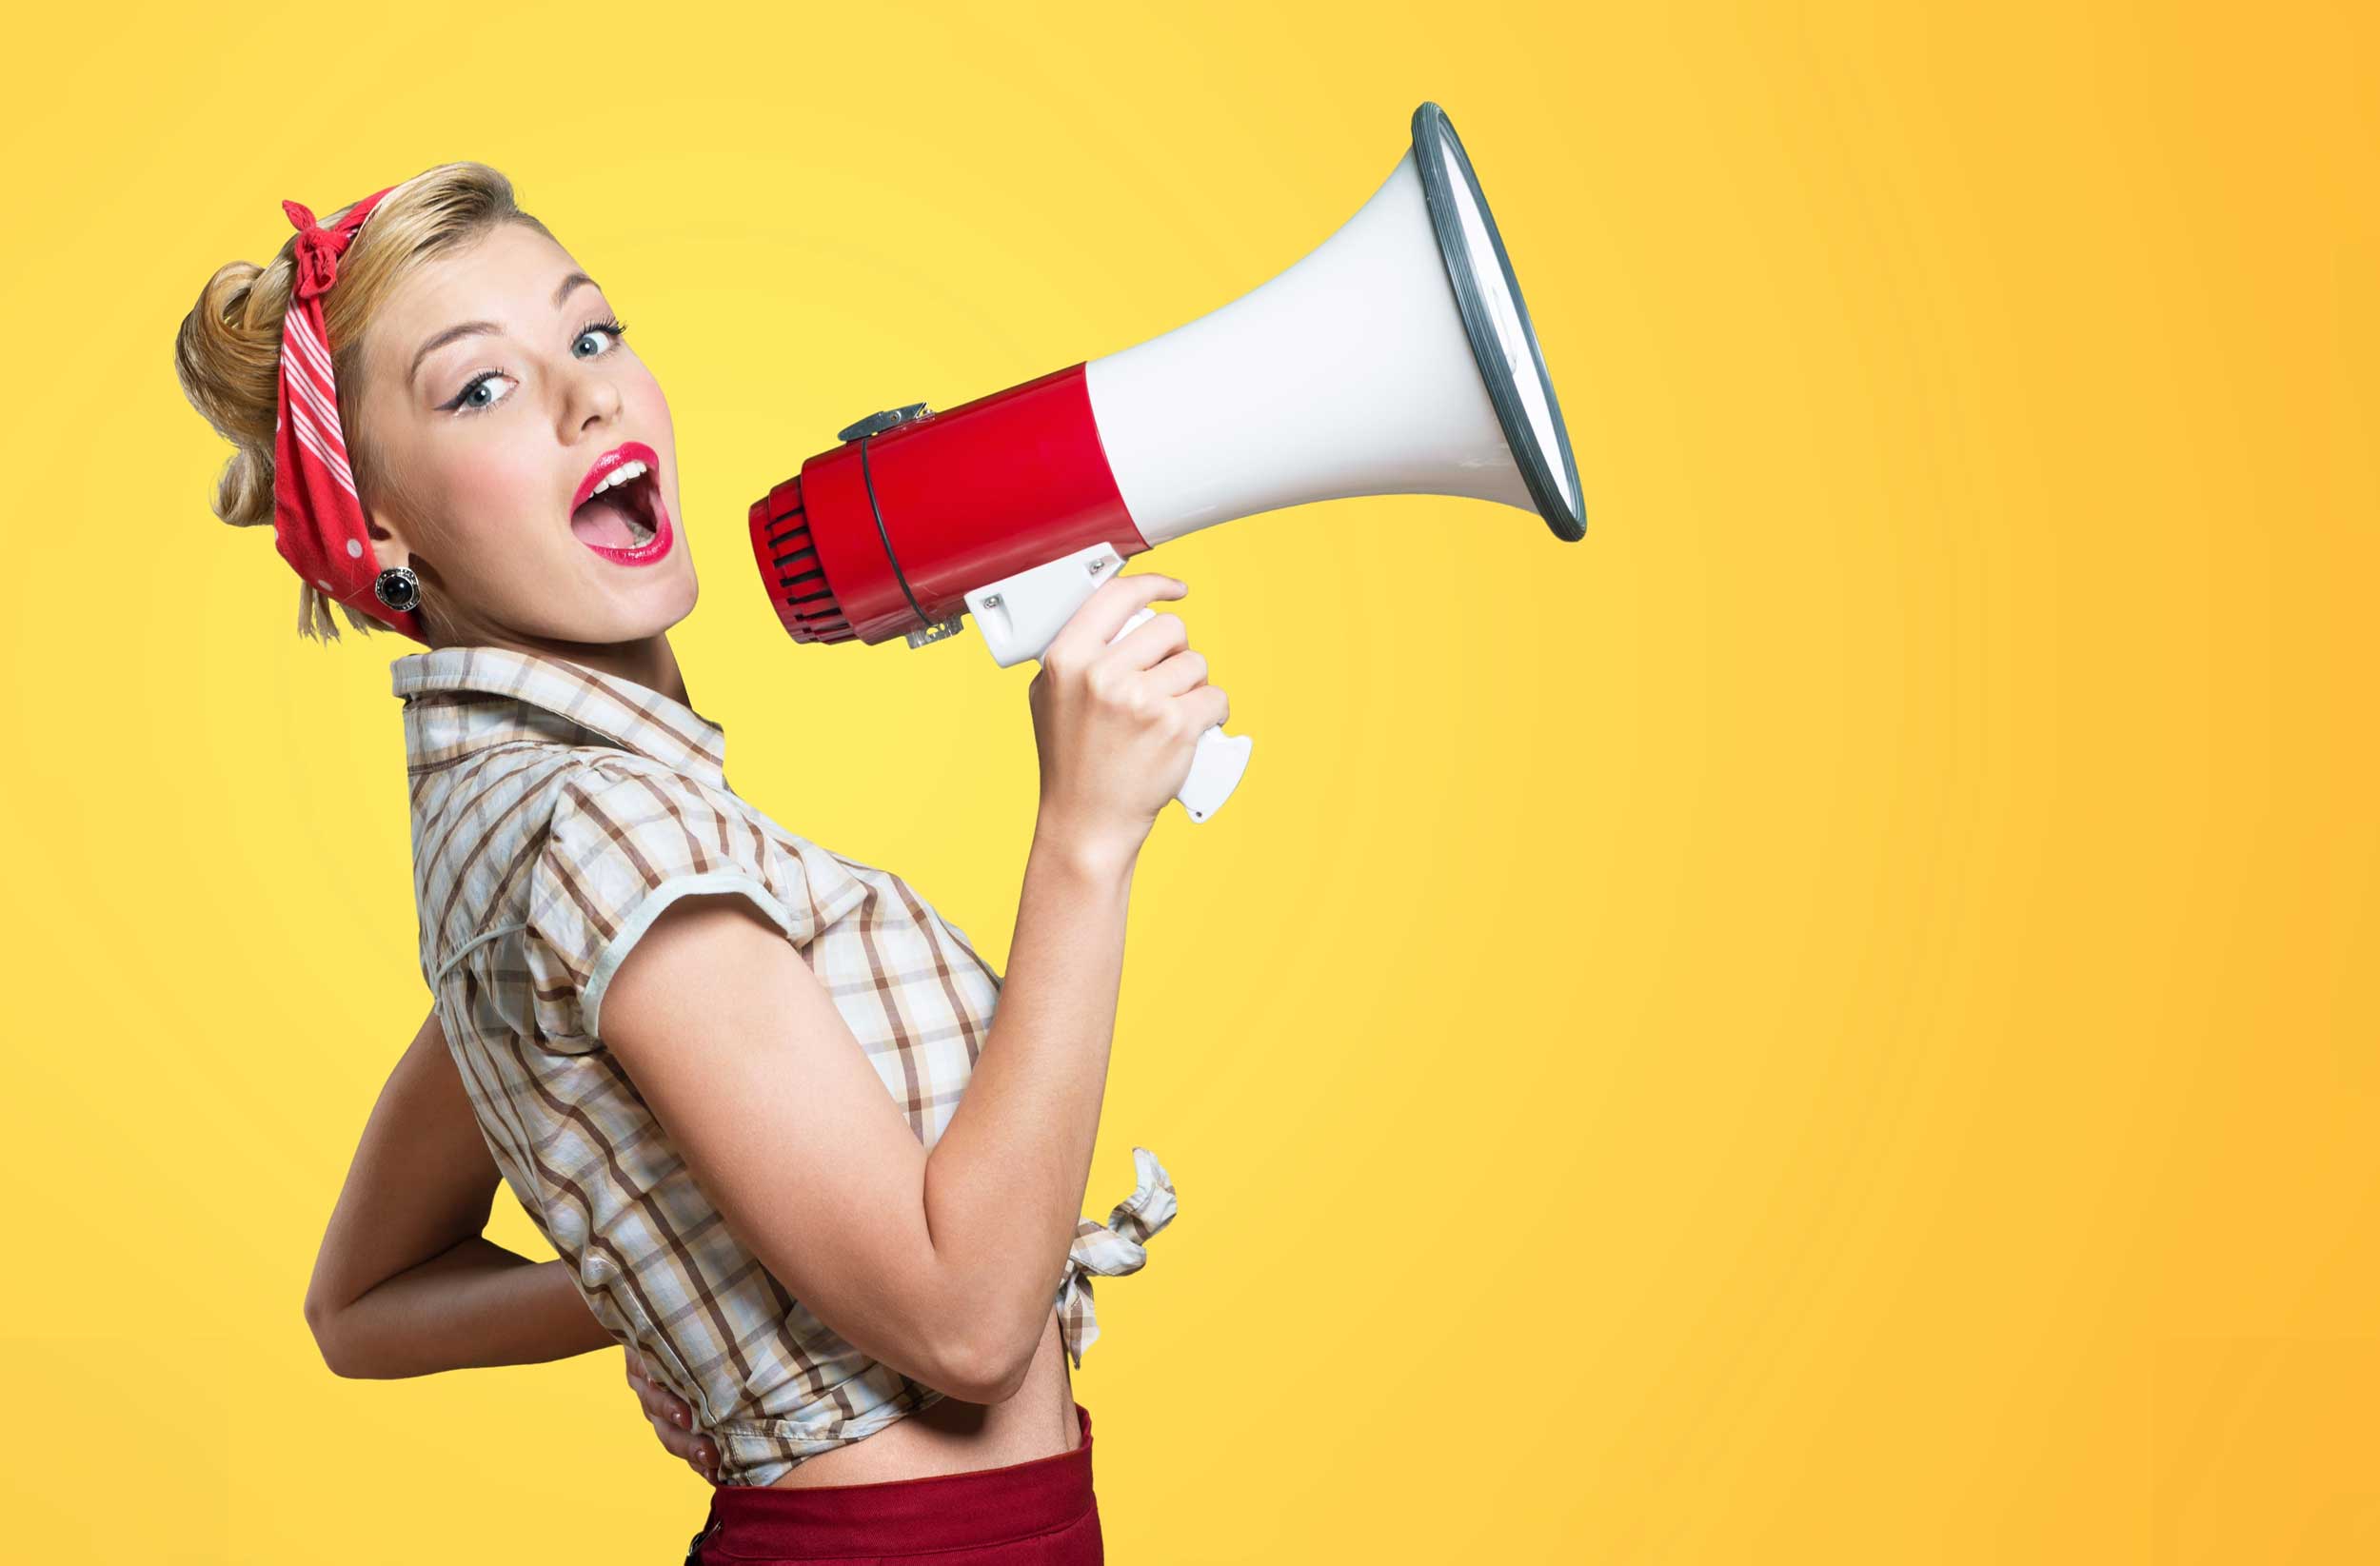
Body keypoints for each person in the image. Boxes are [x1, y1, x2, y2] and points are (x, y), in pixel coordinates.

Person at [172, 161, 1221, 1564]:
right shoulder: (608, 835)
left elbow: (362, 1302)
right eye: (478, 388)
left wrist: (688, 1277)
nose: (586, 394)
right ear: (379, 531)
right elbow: (968, 1321)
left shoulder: (524, 829)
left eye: (592, 333)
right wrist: (1087, 839)